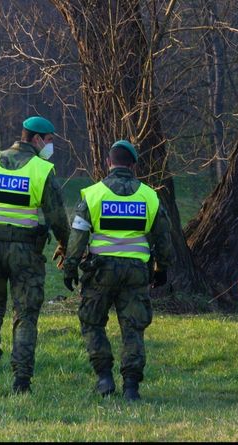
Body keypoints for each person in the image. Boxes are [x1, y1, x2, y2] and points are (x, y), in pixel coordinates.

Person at [0, 116, 70, 394]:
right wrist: (65, 245)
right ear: (35, 139)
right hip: (26, 253)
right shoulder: (41, 170)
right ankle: (21, 381)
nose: (50, 145)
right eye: (49, 140)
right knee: (25, 315)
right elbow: (57, 217)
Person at [62, 140, 174, 401]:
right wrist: (162, 268)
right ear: (133, 165)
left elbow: (77, 236)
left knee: (92, 322)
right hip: (136, 272)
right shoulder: (149, 196)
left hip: (100, 271)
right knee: (133, 327)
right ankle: (132, 387)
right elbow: (164, 238)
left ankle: (104, 378)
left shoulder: (92, 194)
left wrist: (70, 267)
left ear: (108, 163)